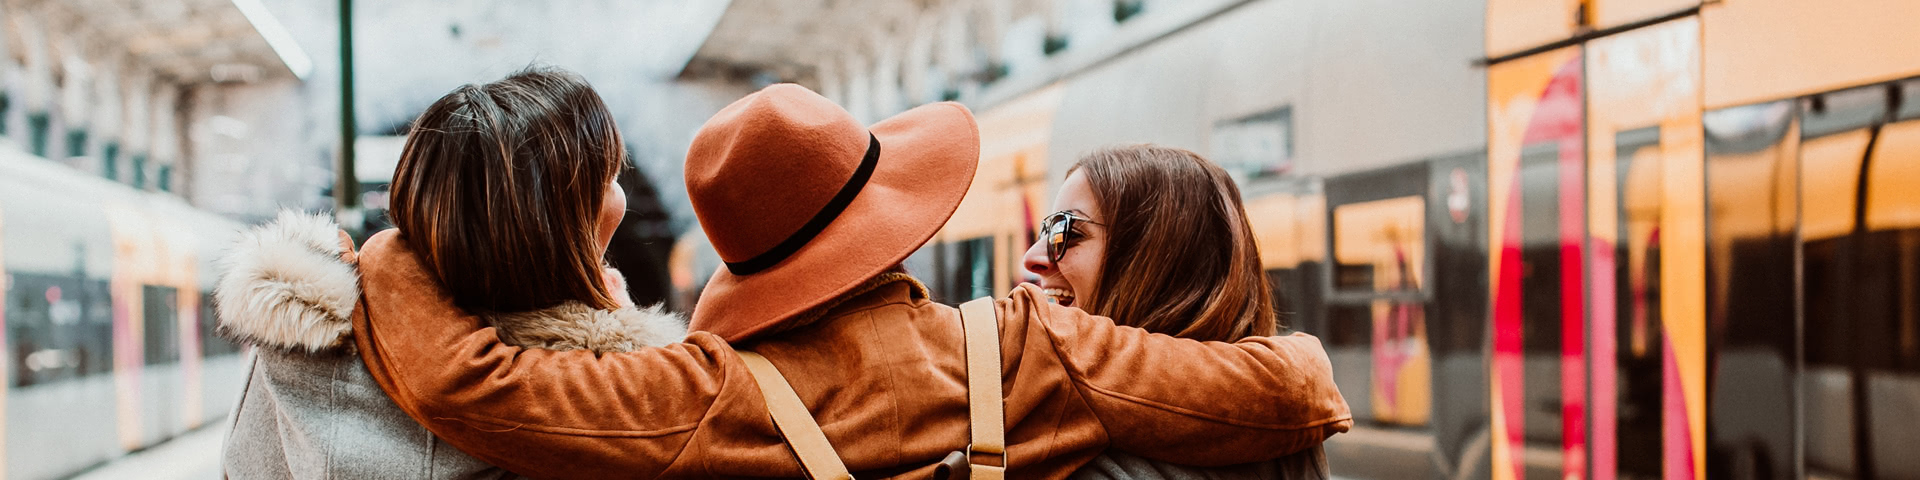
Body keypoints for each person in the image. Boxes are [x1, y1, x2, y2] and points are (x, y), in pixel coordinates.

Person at [343, 83, 1353, 478]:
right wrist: (1299, 350)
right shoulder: (1030, 348)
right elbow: (1289, 392)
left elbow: (469, 385)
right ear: (894, 226)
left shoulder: (703, 397)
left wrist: (391, 256)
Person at [215, 68, 686, 478]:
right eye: (608, 177)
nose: (619, 196)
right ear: (557, 227)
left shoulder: (294, 348)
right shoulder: (625, 400)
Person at [1022, 145, 1331, 479]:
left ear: (1161, 262)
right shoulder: (1290, 434)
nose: (1033, 257)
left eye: (1066, 231)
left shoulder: (1076, 453)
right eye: (1045, 232)